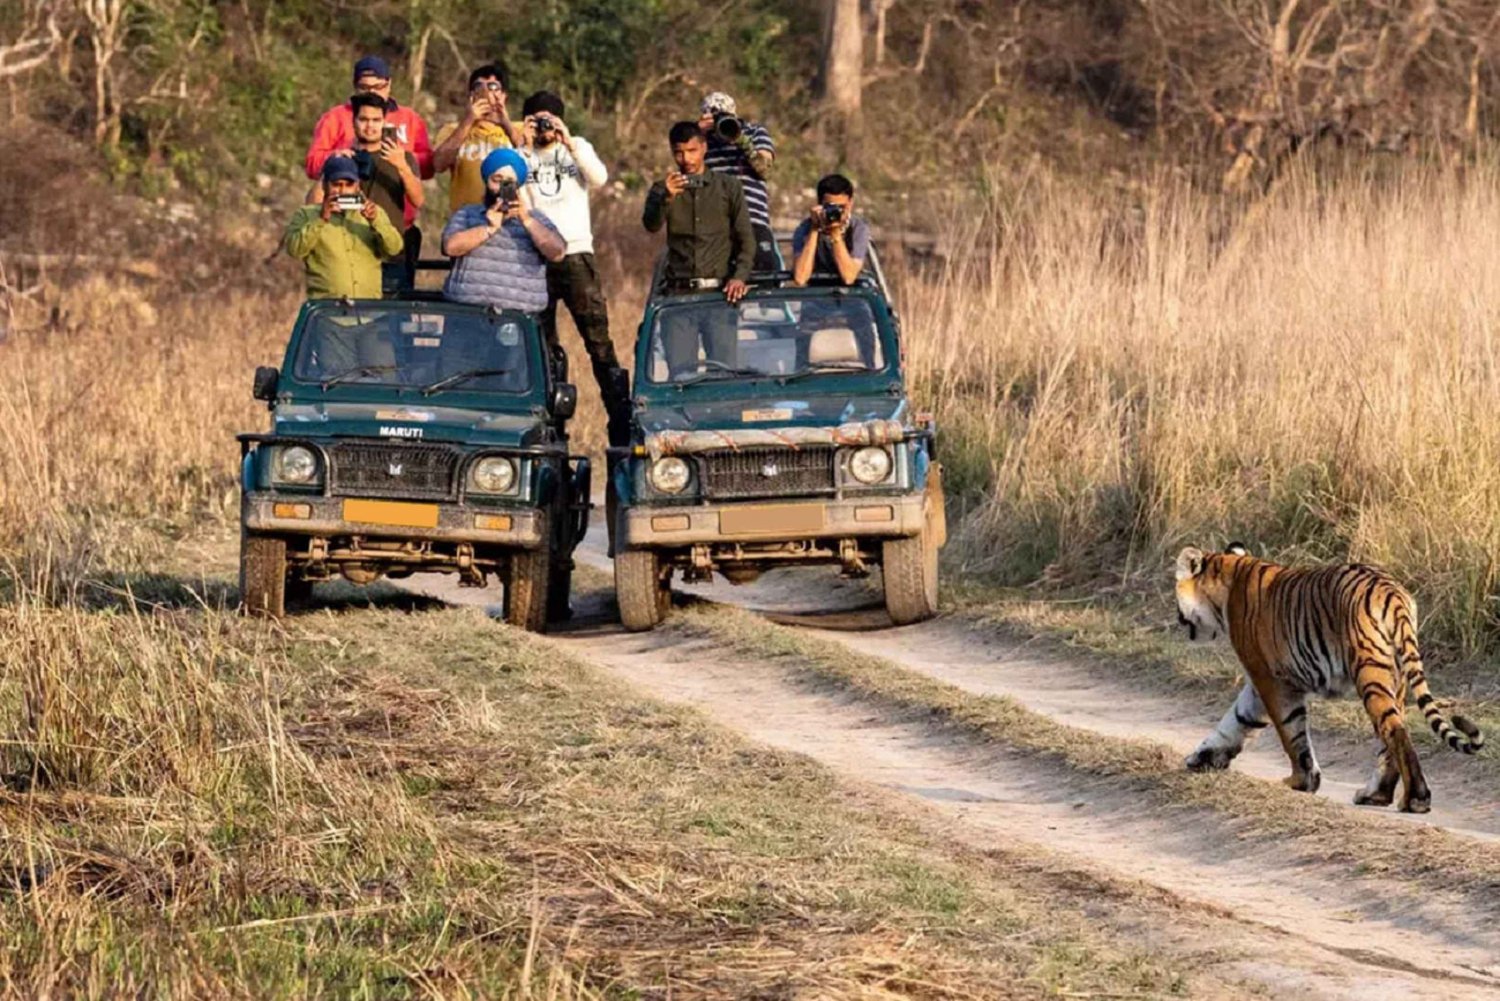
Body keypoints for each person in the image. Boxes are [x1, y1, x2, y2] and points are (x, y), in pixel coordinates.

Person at [518, 90, 627, 445]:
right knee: (542, 343)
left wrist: (568, 140)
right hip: (535, 258)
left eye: (550, 119)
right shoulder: (521, 153)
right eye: (537, 119)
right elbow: (508, 188)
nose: (544, 126)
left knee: (597, 340)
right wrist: (522, 144)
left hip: (577, 254)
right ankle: (550, 422)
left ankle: (620, 417)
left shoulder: (575, 145)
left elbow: (599, 178)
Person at [642, 121, 755, 377]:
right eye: (679, 152)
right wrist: (665, 198)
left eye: (692, 151)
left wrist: (740, 276)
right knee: (680, 376)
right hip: (679, 298)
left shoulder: (728, 187)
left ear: (703, 148)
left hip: (719, 296)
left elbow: (746, 239)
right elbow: (651, 225)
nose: (686, 159)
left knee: (724, 376)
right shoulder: (663, 188)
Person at [304, 56, 434, 225]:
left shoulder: (410, 119)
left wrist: (400, 160)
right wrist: (338, 157)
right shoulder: (335, 117)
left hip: (398, 220)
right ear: (355, 86)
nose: (372, 92)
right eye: (364, 87)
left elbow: (428, 168)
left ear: (389, 85)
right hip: (345, 220)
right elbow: (311, 163)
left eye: (378, 86)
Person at [442, 148, 566, 314]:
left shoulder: (536, 218)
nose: (502, 187)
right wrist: (488, 229)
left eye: (509, 182)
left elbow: (557, 252)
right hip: (467, 313)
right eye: (496, 179)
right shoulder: (467, 213)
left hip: (518, 318)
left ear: (518, 185)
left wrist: (527, 221)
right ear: (487, 181)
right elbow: (450, 247)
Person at [284, 156, 404, 300]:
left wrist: (375, 221)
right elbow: (294, 250)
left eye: (349, 184)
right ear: (324, 186)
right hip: (328, 311)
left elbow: (394, 248)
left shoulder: (373, 213)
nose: (342, 190)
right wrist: (321, 219)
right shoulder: (306, 214)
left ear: (357, 186)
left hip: (368, 311)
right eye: (336, 184)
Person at [698, 91, 777, 272]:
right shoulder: (701, 142)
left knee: (762, 277)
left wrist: (740, 139)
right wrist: (697, 133)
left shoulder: (754, 132)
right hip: (716, 226)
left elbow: (764, 168)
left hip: (752, 220)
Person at [432, 63, 524, 213]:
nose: (486, 93)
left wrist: (505, 123)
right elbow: (438, 165)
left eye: (493, 87)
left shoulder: (519, 128)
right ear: (471, 96)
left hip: (508, 216)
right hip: (465, 218)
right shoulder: (452, 130)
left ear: (504, 95)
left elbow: (534, 162)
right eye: (479, 87)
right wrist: (468, 121)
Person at [791, 174, 869, 286]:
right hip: (818, 297)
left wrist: (835, 234)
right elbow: (800, 278)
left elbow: (849, 277)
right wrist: (814, 229)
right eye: (831, 207)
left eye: (842, 207)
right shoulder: (805, 228)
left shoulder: (858, 228)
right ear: (820, 204)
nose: (836, 213)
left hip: (852, 298)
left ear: (850, 204)